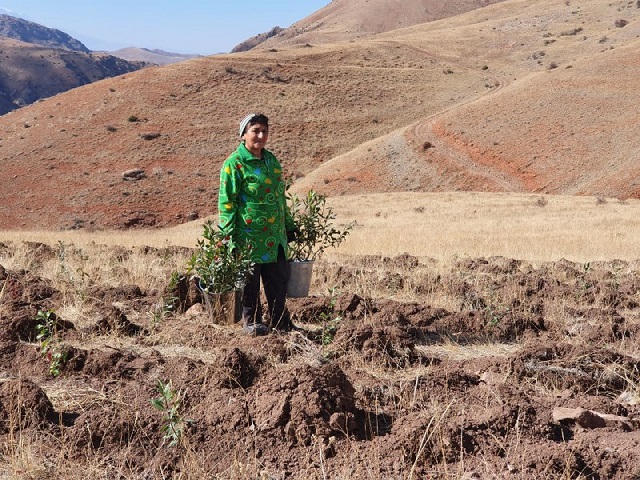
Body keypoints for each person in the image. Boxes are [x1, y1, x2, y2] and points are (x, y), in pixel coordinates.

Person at [218, 113, 298, 335]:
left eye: (264, 131)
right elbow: (227, 203)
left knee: (278, 283)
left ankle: (281, 322)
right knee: (250, 284)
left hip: (275, 238)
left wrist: (289, 226)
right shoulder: (234, 164)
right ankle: (251, 323)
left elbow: (281, 198)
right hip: (248, 238)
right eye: (255, 131)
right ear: (244, 134)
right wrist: (226, 236)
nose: (261, 135)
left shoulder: (271, 161)